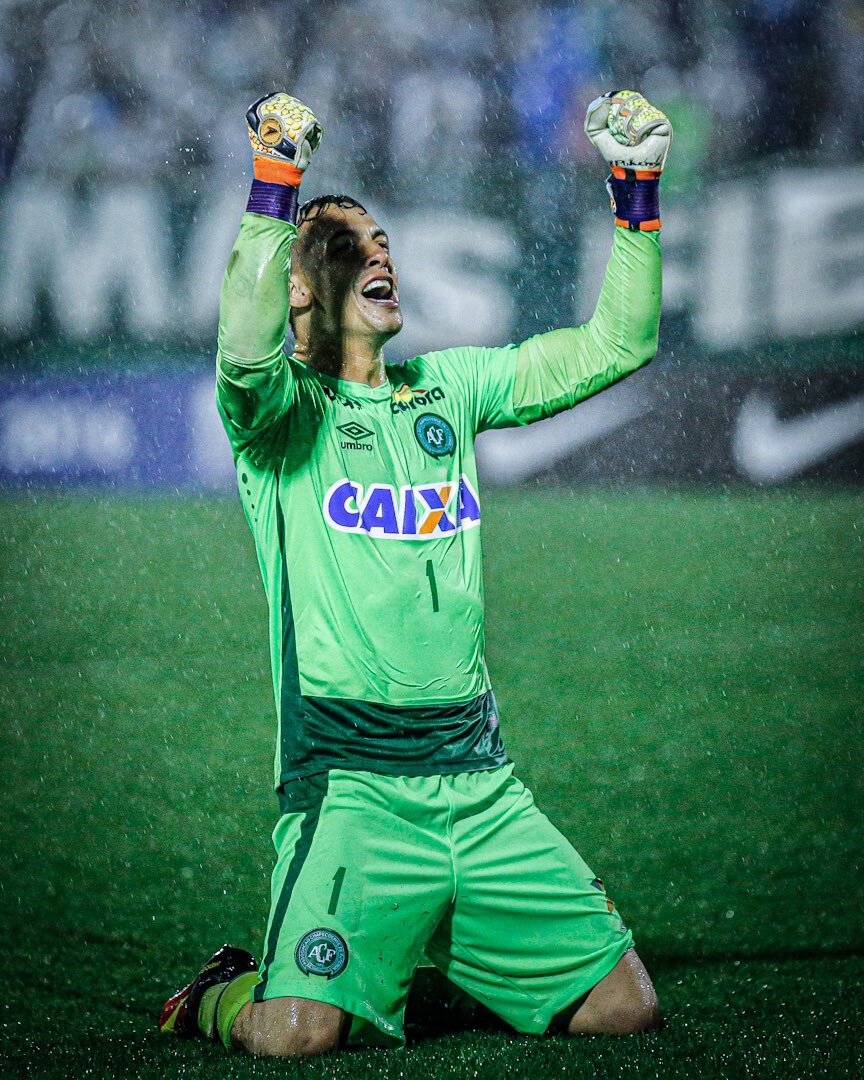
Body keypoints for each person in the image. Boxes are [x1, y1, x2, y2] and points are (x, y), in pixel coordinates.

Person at [159, 88, 671, 1057]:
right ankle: (225, 990)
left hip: (479, 782)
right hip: (351, 787)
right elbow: (240, 346)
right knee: (292, 1036)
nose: (381, 255)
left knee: (625, 1011)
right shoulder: (280, 416)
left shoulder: (450, 387)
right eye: (350, 247)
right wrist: (277, 182)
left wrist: (636, 189)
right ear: (301, 288)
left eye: (384, 240)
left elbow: (618, 345)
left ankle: (392, 970)